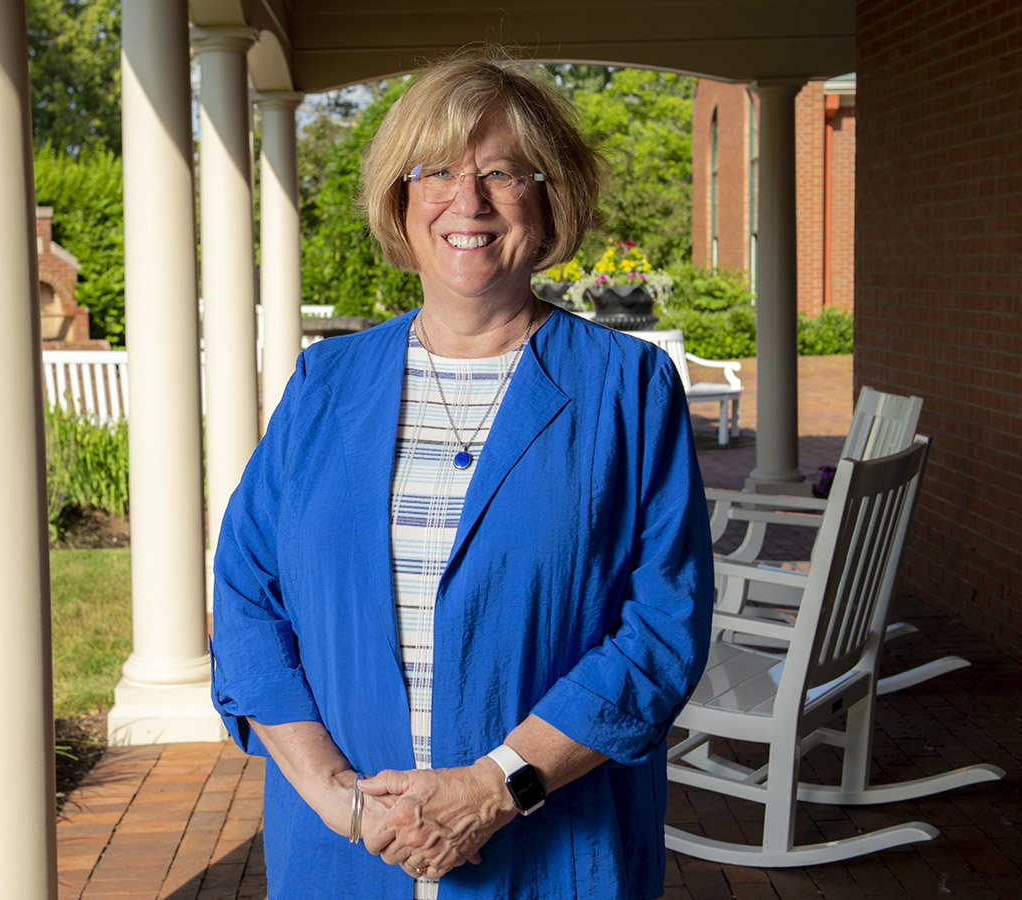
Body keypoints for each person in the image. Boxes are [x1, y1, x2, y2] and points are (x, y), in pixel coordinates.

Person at [210, 54, 714, 900]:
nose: (467, 201)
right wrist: (340, 800)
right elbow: (247, 597)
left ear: (549, 201)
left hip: (553, 856)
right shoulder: (324, 386)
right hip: (344, 857)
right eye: (436, 170)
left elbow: (663, 626)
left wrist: (496, 787)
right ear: (400, 200)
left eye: (502, 173)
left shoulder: (626, 388)